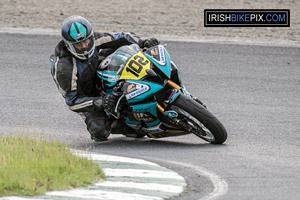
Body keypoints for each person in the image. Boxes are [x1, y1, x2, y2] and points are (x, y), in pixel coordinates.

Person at [50, 16, 159, 142]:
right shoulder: (64, 69)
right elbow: (72, 102)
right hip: (87, 97)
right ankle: (124, 124)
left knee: (117, 47)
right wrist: (99, 101)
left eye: (86, 41)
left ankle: (141, 80)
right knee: (99, 130)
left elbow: (121, 37)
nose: (85, 46)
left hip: (98, 75)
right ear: (69, 45)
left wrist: (143, 41)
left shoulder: (95, 39)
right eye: (78, 45)